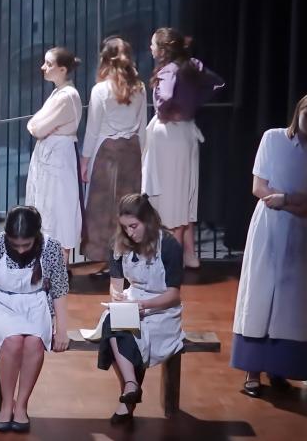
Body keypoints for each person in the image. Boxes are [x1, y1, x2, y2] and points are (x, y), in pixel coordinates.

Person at [231, 92, 307, 397]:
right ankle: (252, 370)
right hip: (270, 225)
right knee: (262, 291)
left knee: (295, 299)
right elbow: (259, 186)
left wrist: (288, 199)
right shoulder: (273, 138)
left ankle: (280, 368)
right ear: (298, 113)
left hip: (304, 230)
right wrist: (289, 202)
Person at [0, 206, 71, 433]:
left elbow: (59, 291)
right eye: (15, 244)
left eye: (26, 244)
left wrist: (61, 330)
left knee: (34, 342)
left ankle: (22, 405)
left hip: (36, 304)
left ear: (36, 235)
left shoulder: (51, 248)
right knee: (12, 340)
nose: (21, 249)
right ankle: (7, 405)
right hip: (1, 303)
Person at [142, 28, 225, 269]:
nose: (150, 48)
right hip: (186, 133)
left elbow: (166, 97)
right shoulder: (193, 65)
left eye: (153, 44)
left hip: (169, 135)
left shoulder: (169, 70)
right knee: (183, 193)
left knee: (170, 196)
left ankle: (171, 259)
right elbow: (218, 83)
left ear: (162, 49)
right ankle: (188, 254)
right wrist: (194, 102)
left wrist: (165, 108)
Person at [98, 193, 184, 425]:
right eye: (125, 227)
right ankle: (131, 385)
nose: (129, 232)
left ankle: (128, 397)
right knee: (113, 323)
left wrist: (145, 305)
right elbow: (116, 285)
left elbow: (174, 295)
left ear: (147, 220)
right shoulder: (119, 243)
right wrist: (117, 296)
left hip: (161, 309)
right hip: (133, 300)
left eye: (134, 226)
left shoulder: (169, 245)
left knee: (130, 336)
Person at [80, 37, 147, 267]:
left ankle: (106, 257)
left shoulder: (100, 90)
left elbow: (92, 129)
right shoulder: (139, 87)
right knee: (129, 205)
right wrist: (143, 156)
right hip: (131, 152)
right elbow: (142, 127)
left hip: (107, 152)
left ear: (105, 59)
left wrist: (85, 160)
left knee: (103, 207)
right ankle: (127, 256)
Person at [26, 46, 85, 264]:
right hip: (49, 158)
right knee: (46, 210)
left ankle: (58, 269)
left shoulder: (67, 96)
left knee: (59, 212)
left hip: (58, 160)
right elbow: (34, 124)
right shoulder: (58, 93)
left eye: (49, 64)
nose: (44, 67)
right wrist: (37, 126)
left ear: (62, 69)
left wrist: (38, 126)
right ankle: (47, 267)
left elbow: (38, 128)